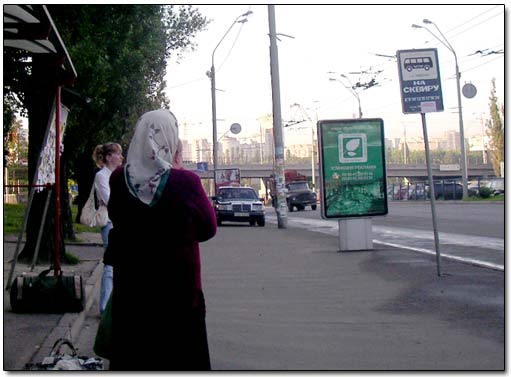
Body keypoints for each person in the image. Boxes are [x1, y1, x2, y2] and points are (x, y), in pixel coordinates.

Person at [105, 109, 217, 370]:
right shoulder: (185, 182)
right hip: (178, 295)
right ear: (170, 139)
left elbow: (116, 217)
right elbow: (208, 228)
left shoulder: (118, 179)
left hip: (132, 292)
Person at [92, 142, 124, 315]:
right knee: (110, 265)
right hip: (109, 221)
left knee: (118, 263)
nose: (121, 157)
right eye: (118, 154)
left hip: (119, 220)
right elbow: (110, 199)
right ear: (109, 157)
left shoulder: (118, 174)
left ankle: (112, 304)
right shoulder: (102, 176)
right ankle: (104, 307)